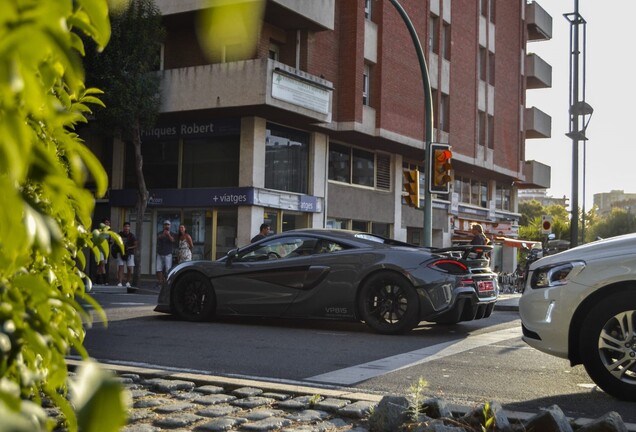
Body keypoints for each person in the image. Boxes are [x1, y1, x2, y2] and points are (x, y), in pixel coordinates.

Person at [116, 222, 137, 288]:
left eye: (128, 226)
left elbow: (136, 245)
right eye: (125, 226)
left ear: (129, 227)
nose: (126, 228)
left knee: (129, 268)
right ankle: (120, 282)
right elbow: (116, 242)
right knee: (121, 267)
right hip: (120, 252)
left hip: (130, 253)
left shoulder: (132, 235)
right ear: (123, 227)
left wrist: (129, 247)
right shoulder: (120, 234)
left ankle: (128, 282)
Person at [156, 220, 175, 286]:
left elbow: (173, 240)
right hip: (160, 253)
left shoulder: (172, 233)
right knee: (158, 268)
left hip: (168, 254)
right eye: (165, 225)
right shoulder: (160, 233)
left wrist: (168, 235)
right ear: (163, 226)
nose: (167, 226)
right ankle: (160, 282)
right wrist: (163, 234)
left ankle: (166, 282)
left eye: (168, 225)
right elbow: (158, 238)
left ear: (170, 226)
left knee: (168, 269)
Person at [95, 217, 112, 285]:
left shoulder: (109, 232)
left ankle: (97, 281)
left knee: (101, 266)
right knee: (102, 264)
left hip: (105, 251)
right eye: (106, 223)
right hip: (99, 250)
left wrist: (110, 241)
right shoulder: (99, 231)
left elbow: (110, 241)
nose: (107, 224)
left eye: (108, 223)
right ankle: (105, 280)